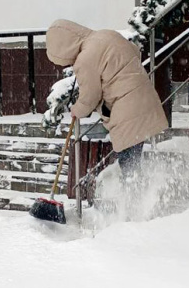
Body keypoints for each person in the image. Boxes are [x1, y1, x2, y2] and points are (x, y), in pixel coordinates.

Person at [45, 19, 168, 179]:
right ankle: (144, 196)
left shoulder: (85, 59)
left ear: (64, 48)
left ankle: (137, 201)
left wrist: (77, 110)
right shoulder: (107, 35)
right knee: (133, 160)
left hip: (126, 112)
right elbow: (135, 51)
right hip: (145, 98)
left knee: (129, 166)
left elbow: (90, 97)